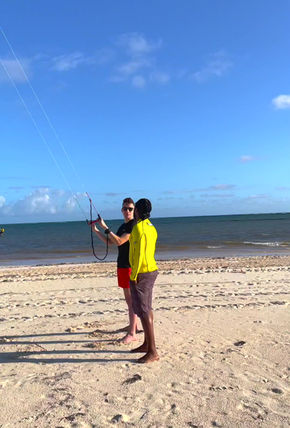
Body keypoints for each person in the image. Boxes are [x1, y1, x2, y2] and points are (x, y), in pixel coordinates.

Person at [90, 198, 138, 344]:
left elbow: (120, 241)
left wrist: (105, 227)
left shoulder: (133, 225)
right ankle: (133, 325)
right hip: (122, 265)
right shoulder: (123, 226)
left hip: (130, 266)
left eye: (130, 209)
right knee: (129, 300)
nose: (128, 211)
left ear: (134, 210)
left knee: (131, 301)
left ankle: (132, 333)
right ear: (122, 210)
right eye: (125, 209)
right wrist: (96, 230)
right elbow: (110, 242)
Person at [129, 198, 159, 363]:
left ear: (137, 211)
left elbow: (139, 254)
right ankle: (147, 344)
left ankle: (152, 351)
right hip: (151, 270)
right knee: (146, 308)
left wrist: (134, 275)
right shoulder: (152, 227)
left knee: (144, 309)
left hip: (142, 273)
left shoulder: (138, 228)